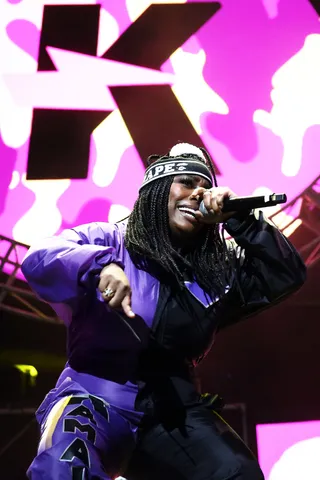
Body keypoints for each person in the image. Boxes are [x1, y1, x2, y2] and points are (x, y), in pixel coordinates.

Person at [21, 143, 306, 480]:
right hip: (94, 398)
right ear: (156, 191)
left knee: (235, 473)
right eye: (186, 183)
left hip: (175, 413)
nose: (198, 194)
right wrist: (100, 267)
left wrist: (242, 221)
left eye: (205, 187)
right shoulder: (110, 240)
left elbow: (285, 275)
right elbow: (39, 257)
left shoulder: (217, 270)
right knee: (64, 466)